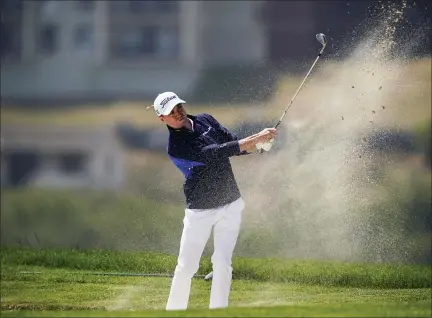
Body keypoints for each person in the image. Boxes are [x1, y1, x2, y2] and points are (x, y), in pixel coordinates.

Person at [150, 91, 277, 310]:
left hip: (231, 203)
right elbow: (215, 152)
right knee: (186, 266)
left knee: (223, 263)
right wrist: (255, 139)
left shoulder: (205, 120)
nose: (177, 113)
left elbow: (232, 143)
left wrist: (259, 146)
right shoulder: (176, 146)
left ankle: (218, 311)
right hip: (201, 210)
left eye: (178, 106)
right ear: (162, 118)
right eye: (170, 112)